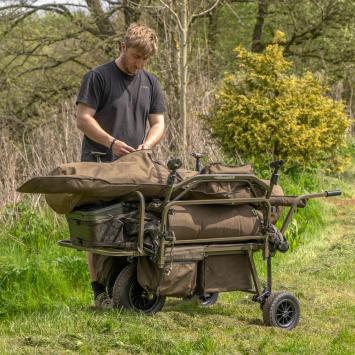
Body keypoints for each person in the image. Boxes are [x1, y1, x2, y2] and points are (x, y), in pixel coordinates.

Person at [75, 23, 165, 306]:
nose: (139, 63)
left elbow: (159, 123)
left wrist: (147, 146)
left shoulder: (150, 82)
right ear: (123, 47)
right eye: (136, 55)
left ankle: (129, 288)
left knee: (136, 226)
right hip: (99, 165)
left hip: (137, 168)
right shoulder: (97, 77)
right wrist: (111, 143)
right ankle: (98, 292)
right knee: (98, 228)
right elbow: (83, 119)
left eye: (144, 59)